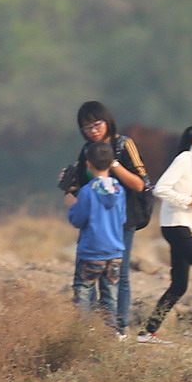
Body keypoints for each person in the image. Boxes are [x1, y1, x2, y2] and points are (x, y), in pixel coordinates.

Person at [64, 101, 150, 338]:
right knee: (103, 279)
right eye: (86, 127)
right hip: (96, 222)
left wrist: (112, 163)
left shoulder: (123, 144)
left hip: (124, 219)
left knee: (118, 277)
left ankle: (118, 328)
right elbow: (82, 184)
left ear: (107, 121)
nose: (93, 130)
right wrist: (69, 183)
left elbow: (140, 184)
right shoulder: (86, 150)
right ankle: (96, 329)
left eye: (96, 124)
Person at [137, 119, 192, 345]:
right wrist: (188, 201)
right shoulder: (185, 159)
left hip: (186, 225)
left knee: (179, 284)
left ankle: (148, 332)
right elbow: (161, 188)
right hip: (175, 225)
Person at [67, 141, 127, 334]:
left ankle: (84, 334)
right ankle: (110, 336)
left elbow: (78, 219)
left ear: (88, 164)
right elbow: (123, 218)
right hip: (115, 252)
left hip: (92, 251)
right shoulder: (120, 191)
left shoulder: (87, 191)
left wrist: (71, 205)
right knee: (110, 298)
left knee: (84, 292)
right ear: (111, 164)